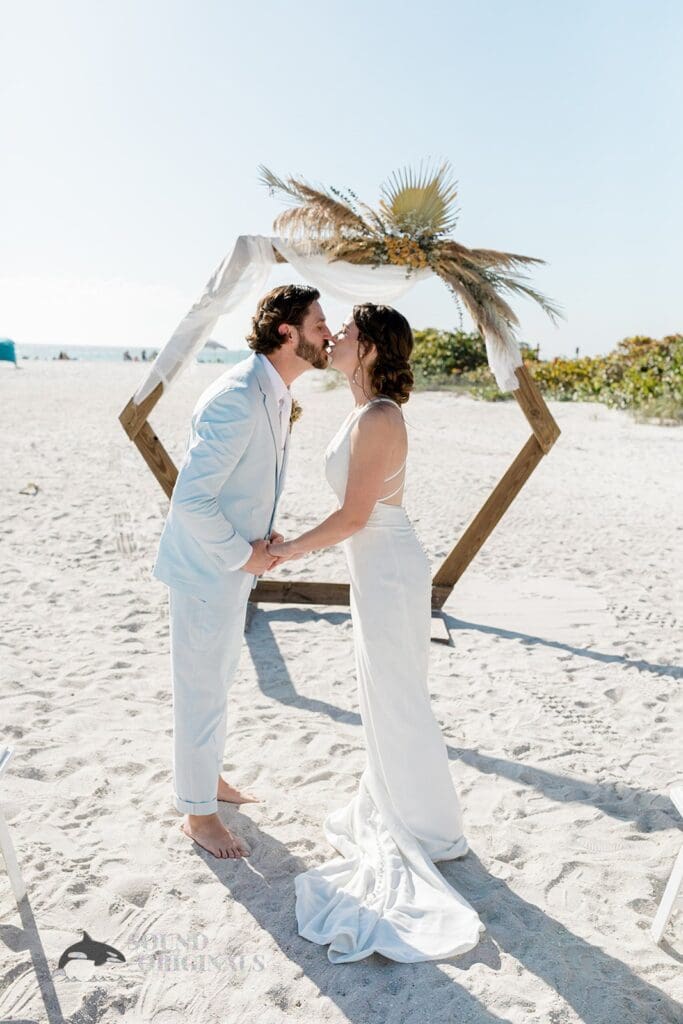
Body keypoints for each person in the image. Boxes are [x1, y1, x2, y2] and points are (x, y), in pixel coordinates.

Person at [268, 304, 485, 962]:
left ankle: (430, 827)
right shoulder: (363, 413)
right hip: (376, 572)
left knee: (398, 699)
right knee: (385, 699)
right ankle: (407, 805)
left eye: (347, 333)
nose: (333, 337)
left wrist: (286, 552)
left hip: (388, 571)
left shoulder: (381, 417)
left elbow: (354, 515)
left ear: (369, 349)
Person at [153, 284, 332, 859]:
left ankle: (209, 783)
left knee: (217, 683)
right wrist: (243, 553)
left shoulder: (273, 392)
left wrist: (263, 535)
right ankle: (198, 815)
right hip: (208, 571)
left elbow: (240, 488)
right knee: (200, 691)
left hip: (232, 566)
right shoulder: (237, 396)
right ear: (288, 333)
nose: (328, 334)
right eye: (319, 324)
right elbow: (191, 501)